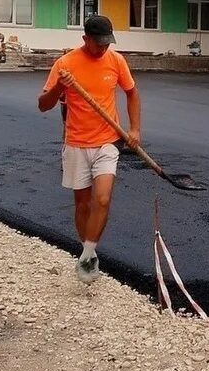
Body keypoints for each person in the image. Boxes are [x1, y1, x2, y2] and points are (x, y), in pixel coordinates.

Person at [37, 15, 141, 284]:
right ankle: (88, 255)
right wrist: (61, 85)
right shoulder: (66, 64)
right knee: (82, 204)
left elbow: (131, 92)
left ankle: (88, 253)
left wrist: (134, 130)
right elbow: (43, 105)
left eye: (108, 42)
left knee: (103, 199)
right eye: (99, 43)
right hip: (76, 143)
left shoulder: (116, 60)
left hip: (108, 140)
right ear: (85, 39)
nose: (104, 48)